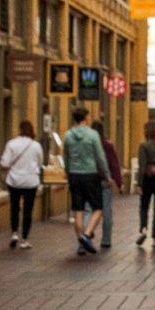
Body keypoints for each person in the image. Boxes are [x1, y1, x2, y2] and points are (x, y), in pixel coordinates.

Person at [63, 106, 110, 256]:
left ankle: (81, 244)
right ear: (86, 118)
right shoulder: (93, 135)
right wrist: (107, 175)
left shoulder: (68, 135)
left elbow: (66, 157)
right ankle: (87, 234)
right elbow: (100, 157)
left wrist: (67, 172)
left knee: (78, 210)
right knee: (98, 208)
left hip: (74, 175)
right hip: (90, 175)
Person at [0, 121, 43, 250]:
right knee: (28, 210)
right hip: (30, 181)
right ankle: (24, 239)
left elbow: (5, 163)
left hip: (14, 180)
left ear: (19, 129)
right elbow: (40, 163)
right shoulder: (36, 146)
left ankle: (14, 234)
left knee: (14, 207)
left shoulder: (11, 144)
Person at [82, 120, 123, 248]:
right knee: (106, 211)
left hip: (90, 181)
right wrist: (119, 182)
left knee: (88, 209)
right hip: (105, 181)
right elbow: (114, 164)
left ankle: (87, 234)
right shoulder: (107, 145)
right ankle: (106, 240)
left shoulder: (87, 144)